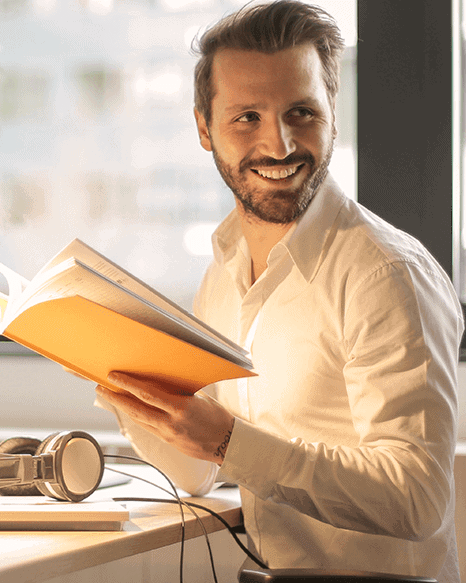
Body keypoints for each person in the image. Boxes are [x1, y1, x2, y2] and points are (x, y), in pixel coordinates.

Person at [93, 2, 464, 582]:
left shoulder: (386, 273)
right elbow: (198, 474)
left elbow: (417, 498)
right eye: (247, 117)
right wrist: (131, 394)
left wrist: (231, 443)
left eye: (301, 112)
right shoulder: (224, 269)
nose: (281, 143)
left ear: (332, 116)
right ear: (203, 128)